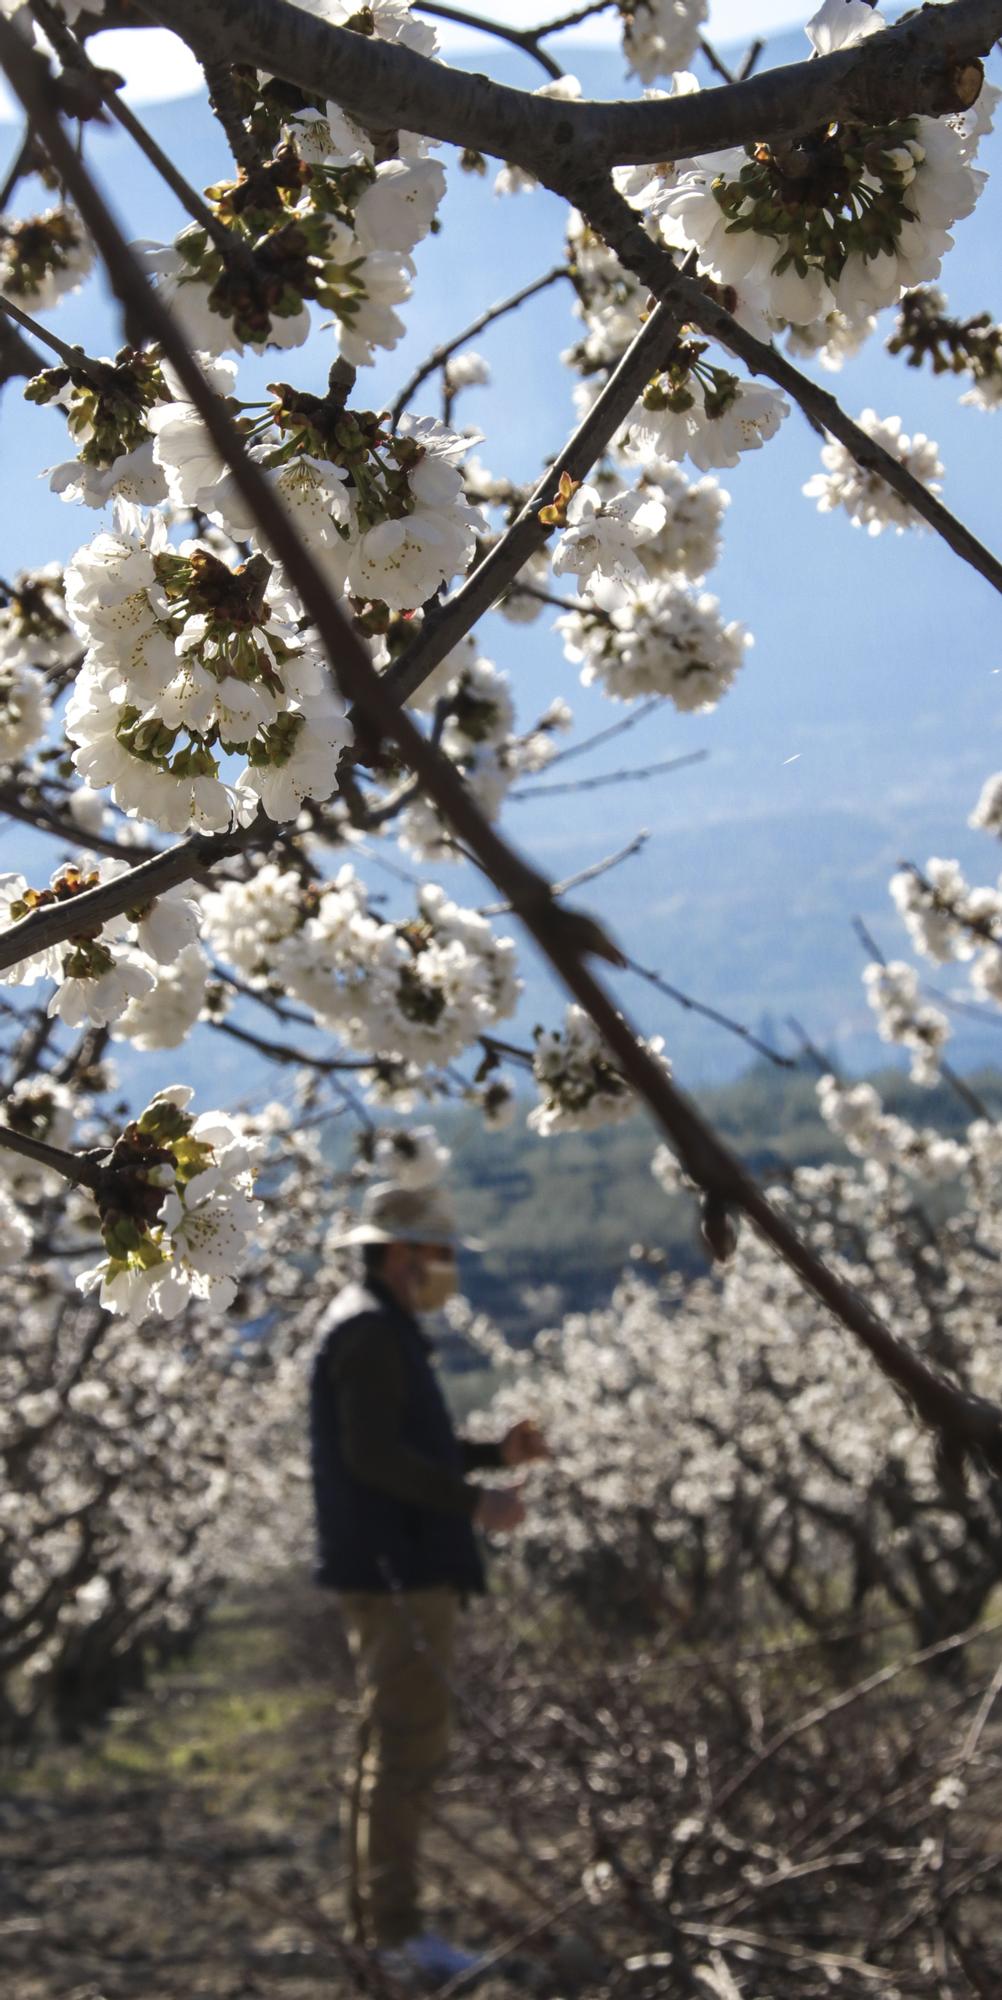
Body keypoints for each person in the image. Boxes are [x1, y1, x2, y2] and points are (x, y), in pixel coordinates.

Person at [310, 1178, 548, 1982]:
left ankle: (376, 1926)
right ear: (403, 1253)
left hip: (391, 1563)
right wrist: (475, 1499)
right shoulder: (373, 1334)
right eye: (439, 1252)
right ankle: (397, 1937)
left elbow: (405, 1442)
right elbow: (373, 1458)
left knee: (390, 1747)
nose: (447, 1269)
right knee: (408, 1749)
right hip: (399, 1569)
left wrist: (489, 1455)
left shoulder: (378, 1328)